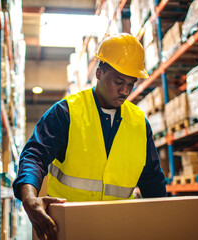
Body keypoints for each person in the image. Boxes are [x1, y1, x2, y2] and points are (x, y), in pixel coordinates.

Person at [12, 33, 167, 240]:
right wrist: (29, 197)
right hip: (68, 227)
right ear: (99, 73)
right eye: (119, 81)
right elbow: (34, 155)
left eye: (131, 84)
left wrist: (163, 222)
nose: (125, 90)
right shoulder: (67, 112)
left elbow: (152, 179)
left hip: (118, 229)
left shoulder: (139, 123)